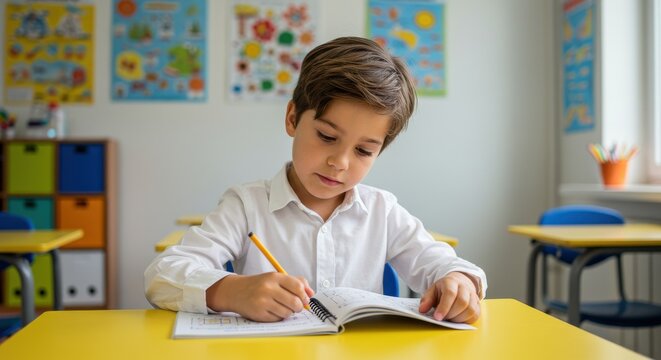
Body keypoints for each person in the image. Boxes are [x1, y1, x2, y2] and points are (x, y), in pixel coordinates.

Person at [145, 36, 487, 324]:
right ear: (293, 118)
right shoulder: (246, 206)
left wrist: (457, 281)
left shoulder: (383, 211)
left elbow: (442, 262)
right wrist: (230, 291)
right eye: (326, 136)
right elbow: (162, 276)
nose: (339, 162)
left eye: (364, 151)